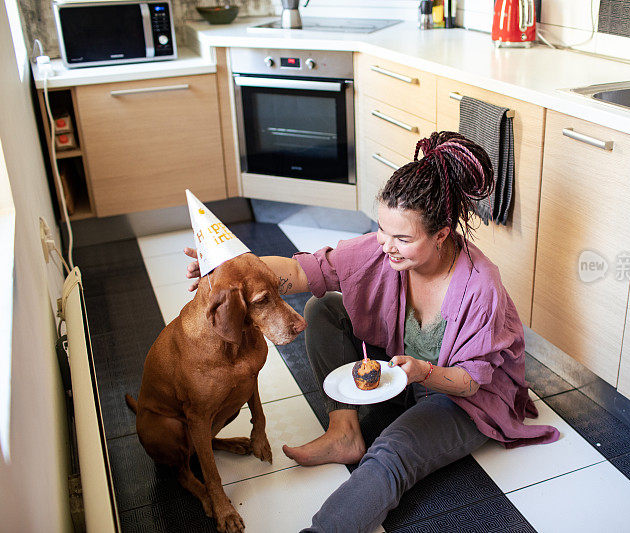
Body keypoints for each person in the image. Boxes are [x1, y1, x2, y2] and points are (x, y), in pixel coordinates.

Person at [185, 131, 559, 532]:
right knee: (324, 307)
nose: (387, 246)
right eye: (382, 230)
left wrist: (422, 373)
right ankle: (344, 431)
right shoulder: (385, 250)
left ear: (442, 235)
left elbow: (471, 382)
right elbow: (300, 271)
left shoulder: (480, 286)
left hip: (464, 398)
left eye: (403, 238)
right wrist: (231, 269)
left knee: (391, 453)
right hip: (408, 377)